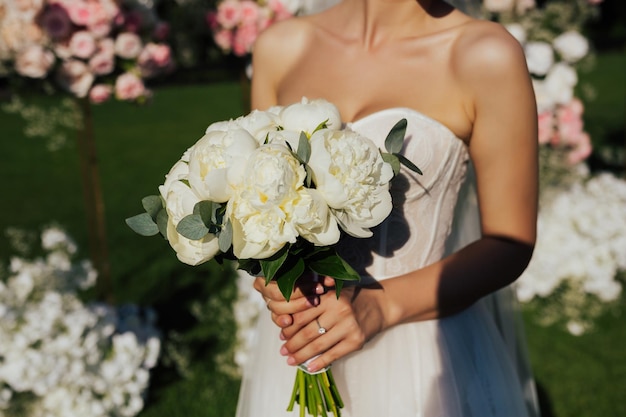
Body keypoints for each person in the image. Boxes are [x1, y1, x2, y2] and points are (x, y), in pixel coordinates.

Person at [236, 0, 540, 416]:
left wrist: (382, 306)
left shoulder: (484, 54)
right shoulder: (280, 47)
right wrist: (274, 275)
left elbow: (510, 243)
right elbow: (259, 201)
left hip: (421, 350)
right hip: (304, 345)